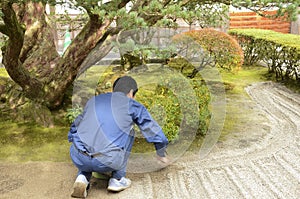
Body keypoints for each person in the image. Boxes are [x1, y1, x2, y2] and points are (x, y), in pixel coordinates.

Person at [68, 75, 169, 198]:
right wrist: (161, 153)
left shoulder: (94, 100)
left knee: (89, 131)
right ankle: (117, 179)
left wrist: (75, 143)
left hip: (78, 157)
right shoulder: (132, 105)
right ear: (131, 92)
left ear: (114, 90)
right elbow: (155, 133)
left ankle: (83, 177)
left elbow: (75, 126)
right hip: (108, 161)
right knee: (130, 131)